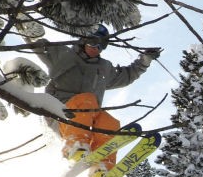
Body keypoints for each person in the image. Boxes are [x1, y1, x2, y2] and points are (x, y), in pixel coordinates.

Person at [31, 24, 161, 168]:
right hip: (60, 114)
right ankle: (75, 145)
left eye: (101, 45)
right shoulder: (63, 54)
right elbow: (37, 44)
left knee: (109, 123)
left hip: (87, 120)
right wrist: (31, 30)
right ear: (83, 40)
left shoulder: (103, 68)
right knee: (86, 100)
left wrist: (144, 61)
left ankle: (101, 167)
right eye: (93, 42)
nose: (96, 48)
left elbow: (126, 76)